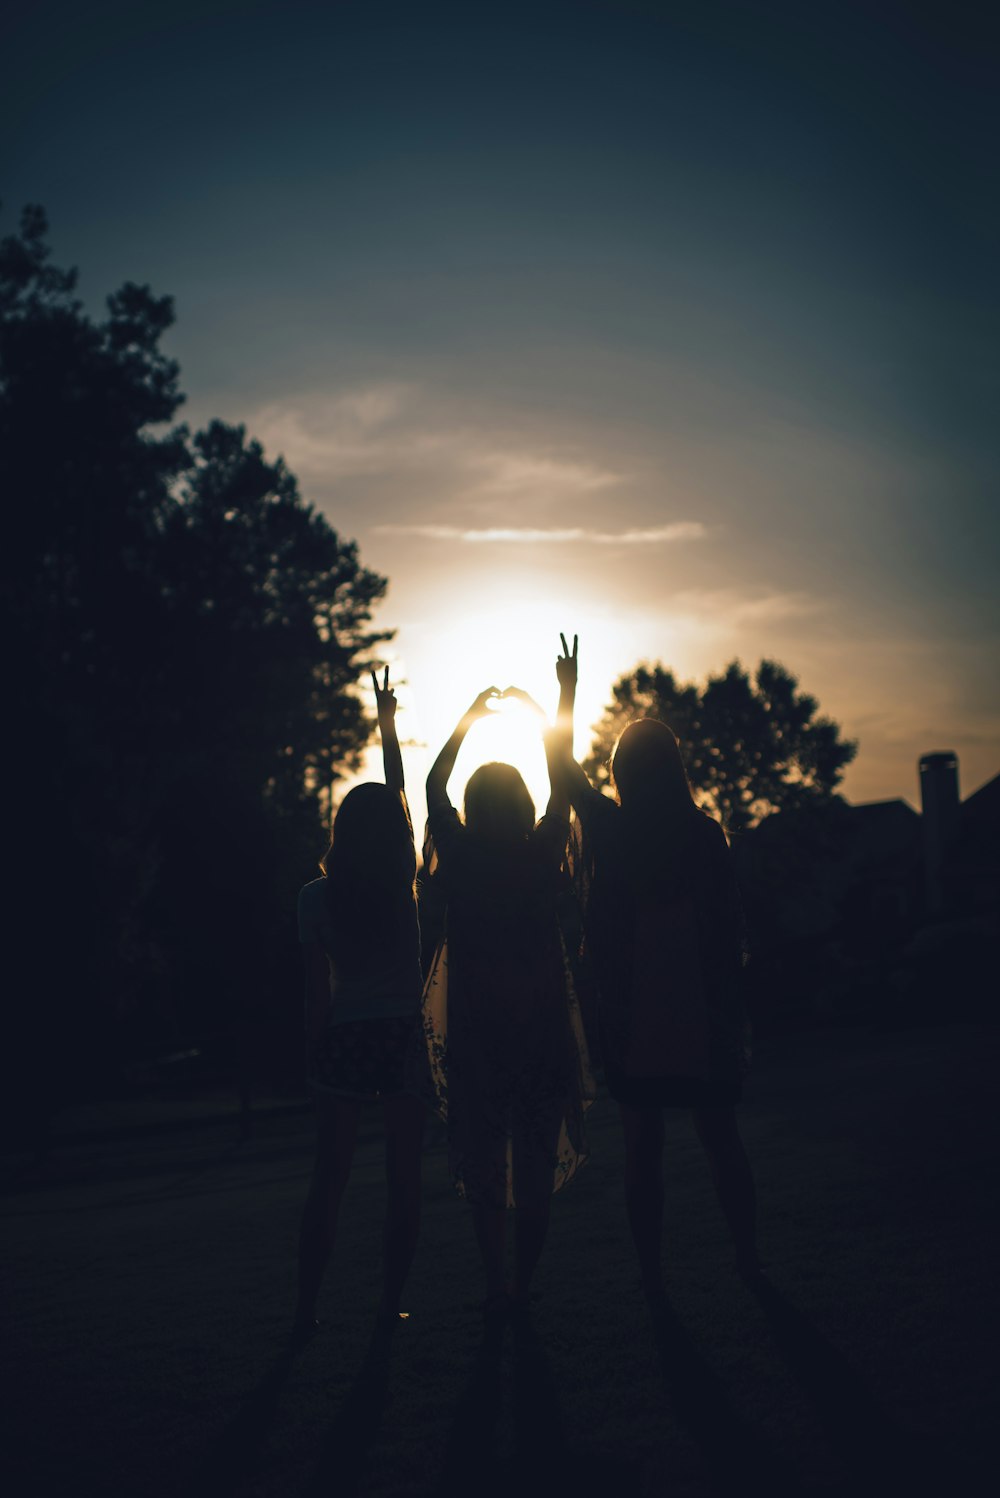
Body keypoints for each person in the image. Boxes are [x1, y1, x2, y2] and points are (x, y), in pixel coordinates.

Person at [549, 636, 759, 1302]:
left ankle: (652, 1278)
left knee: (644, 1150)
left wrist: (567, 692)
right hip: (700, 1006)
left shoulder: (611, 828)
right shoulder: (705, 834)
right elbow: (729, 935)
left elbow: (560, 769)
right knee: (721, 1139)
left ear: (622, 770)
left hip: (635, 1008)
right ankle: (749, 1261)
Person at [419, 662, 593, 1319]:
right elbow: (563, 780)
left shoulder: (460, 858)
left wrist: (470, 714)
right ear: (521, 805)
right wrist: (556, 701)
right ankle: (521, 1285)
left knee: (488, 1167)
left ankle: (497, 1287)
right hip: (542, 1033)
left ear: (472, 807)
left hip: (479, 1035)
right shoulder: (542, 851)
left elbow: (434, 782)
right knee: (535, 1164)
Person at [293, 668, 425, 1341]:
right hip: (403, 1035)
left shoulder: (315, 897)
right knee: (404, 1181)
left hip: (345, 1038)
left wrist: (311, 1057)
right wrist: (388, 726)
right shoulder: (402, 875)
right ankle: (385, 1306)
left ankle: (305, 1312)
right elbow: (399, 796)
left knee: (330, 1182)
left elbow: (317, 994)